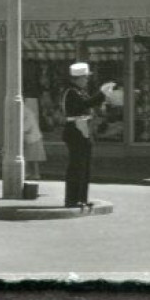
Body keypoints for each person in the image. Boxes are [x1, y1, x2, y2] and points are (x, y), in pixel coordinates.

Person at [60, 61, 106, 210]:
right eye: (85, 77)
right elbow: (83, 105)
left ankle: (82, 198)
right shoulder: (71, 92)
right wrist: (102, 94)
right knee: (76, 166)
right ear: (78, 78)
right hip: (75, 131)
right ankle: (72, 199)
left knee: (84, 166)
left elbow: (87, 104)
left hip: (83, 130)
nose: (87, 80)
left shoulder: (79, 91)